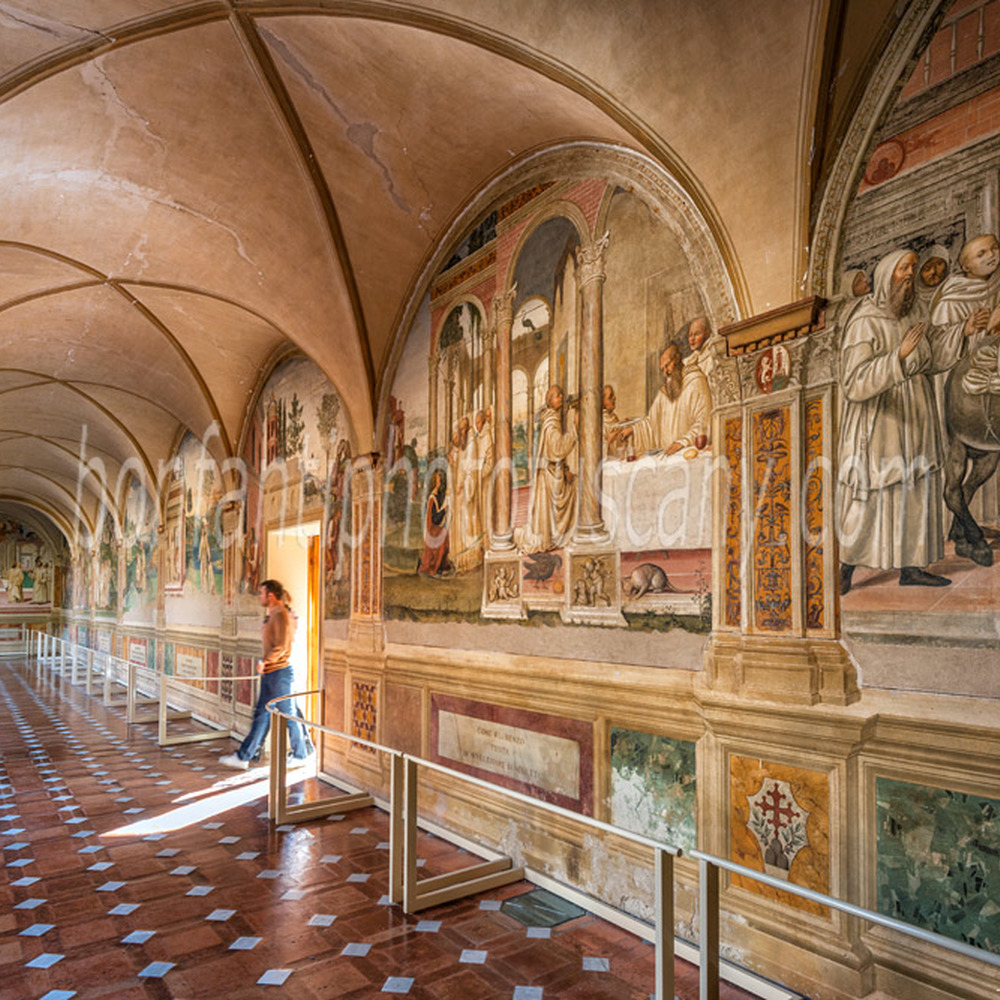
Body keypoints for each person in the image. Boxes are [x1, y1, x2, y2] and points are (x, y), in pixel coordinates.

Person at [838, 248, 971, 594]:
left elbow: (935, 350)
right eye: (904, 268)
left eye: (913, 267)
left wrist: (964, 331)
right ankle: (845, 566)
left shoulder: (916, 311)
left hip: (916, 414)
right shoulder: (864, 319)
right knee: (871, 495)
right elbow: (853, 382)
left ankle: (912, 567)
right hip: (880, 418)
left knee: (916, 489)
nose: (910, 274)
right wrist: (896, 358)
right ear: (886, 274)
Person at [220, 579, 314, 769]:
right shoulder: (275, 614)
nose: (259, 597)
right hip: (274, 672)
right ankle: (244, 756)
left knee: (286, 714)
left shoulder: (280, 615)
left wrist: (266, 661)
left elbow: (282, 645)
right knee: (263, 715)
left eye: (261, 593)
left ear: (270, 596)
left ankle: (301, 754)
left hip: (280, 672)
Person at [619, 342, 711, 456]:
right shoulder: (665, 392)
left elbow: (704, 422)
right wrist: (633, 430)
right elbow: (652, 422)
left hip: (689, 452)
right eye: (662, 369)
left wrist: (682, 442)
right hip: (669, 455)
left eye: (667, 366)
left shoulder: (696, 382)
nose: (665, 373)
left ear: (677, 359)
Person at [516, 385, 578, 553]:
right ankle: (563, 534)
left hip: (553, 472)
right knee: (577, 486)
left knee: (575, 482)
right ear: (550, 401)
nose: (561, 397)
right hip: (550, 476)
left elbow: (555, 453)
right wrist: (575, 430)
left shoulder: (553, 418)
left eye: (561, 394)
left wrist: (565, 469)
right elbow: (558, 449)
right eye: (557, 395)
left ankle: (562, 532)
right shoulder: (551, 422)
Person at [417, 468, 450, 575]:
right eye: (438, 480)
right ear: (435, 482)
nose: (440, 482)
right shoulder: (432, 498)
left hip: (434, 527)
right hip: (432, 529)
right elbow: (435, 519)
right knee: (444, 536)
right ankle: (436, 566)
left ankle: (440, 565)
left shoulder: (435, 496)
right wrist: (444, 510)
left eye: (440, 480)